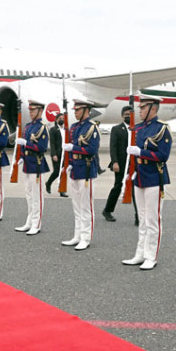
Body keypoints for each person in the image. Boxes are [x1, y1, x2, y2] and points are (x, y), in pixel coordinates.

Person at [122, 96, 171, 270]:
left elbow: (163, 156)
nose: (140, 110)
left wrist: (141, 152)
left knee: (152, 219)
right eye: (140, 107)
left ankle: (151, 256)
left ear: (153, 109)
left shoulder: (162, 129)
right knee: (142, 219)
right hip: (140, 176)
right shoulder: (139, 128)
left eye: (143, 108)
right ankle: (140, 253)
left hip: (154, 177)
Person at [61, 99, 100, 251]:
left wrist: (73, 148)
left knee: (86, 206)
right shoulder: (73, 127)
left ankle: (86, 237)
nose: (75, 112)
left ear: (86, 110)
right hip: (75, 169)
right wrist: (70, 162)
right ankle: (77, 235)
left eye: (78, 110)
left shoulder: (92, 128)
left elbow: (91, 150)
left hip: (86, 169)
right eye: (75, 110)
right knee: (76, 206)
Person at [15, 100, 49, 235]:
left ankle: (36, 223)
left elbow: (42, 147)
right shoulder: (28, 127)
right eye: (30, 110)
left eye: (33, 110)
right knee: (28, 194)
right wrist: (21, 157)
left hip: (37, 163)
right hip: (28, 162)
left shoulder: (42, 127)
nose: (30, 112)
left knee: (36, 196)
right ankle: (29, 221)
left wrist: (26, 144)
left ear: (40, 111)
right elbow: (24, 146)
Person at [103, 106, 131, 223]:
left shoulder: (137, 129)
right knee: (118, 187)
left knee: (135, 189)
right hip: (120, 164)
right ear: (122, 116)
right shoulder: (116, 129)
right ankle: (107, 210)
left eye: (130, 113)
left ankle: (138, 216)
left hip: (134, 164)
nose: (128, 116)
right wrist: (114, 162)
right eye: (126, 114)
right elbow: (113, 147)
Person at [45, 113, 68, 198]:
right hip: (57, 154)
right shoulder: (53, 129)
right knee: (57, 171)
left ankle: (62, 190)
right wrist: (53, 154)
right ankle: (48, 183)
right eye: (60, 118)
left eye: (63, 118)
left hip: (65, 153)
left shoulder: (66, 129)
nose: (62, 120)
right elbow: (52, 143)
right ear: (56, 120)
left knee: (63, 172)